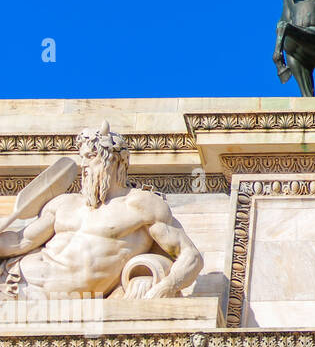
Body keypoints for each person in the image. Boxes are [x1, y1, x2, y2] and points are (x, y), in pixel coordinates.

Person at [0, 122, 203, 299]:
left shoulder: (141, 205)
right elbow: (21, 242)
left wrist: (168, 286)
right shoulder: (63, 203)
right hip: (16, 281)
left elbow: (190, 256)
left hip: (63, 299)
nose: (84, 165)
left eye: (91, 156)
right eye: (82, 158)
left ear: (113, 160)